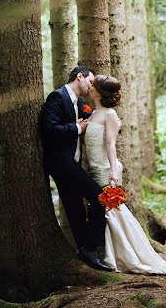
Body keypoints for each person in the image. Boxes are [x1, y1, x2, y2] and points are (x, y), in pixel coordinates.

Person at [84, 74, 166, 276]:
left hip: (104, 167)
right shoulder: (94, 113)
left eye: (93, 85)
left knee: (110, 210)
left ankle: (120, 254)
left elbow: (111, 144)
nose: (90, 87)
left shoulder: (109, 114)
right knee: (101, 209)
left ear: (100, 92)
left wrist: (112, 169)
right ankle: (106, 251)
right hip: (93, 167)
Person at [40, 66, 112, 272]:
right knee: (99, 198)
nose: (91, 87)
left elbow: (90, 119)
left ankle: (86, 252)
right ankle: (92, 248)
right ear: (79, 77)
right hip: (61, 164)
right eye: (90, 81)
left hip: (73, 163)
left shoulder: (79, 102)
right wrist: (79, 128)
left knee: (75, 208)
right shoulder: (57, 97)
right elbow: (50, 129)